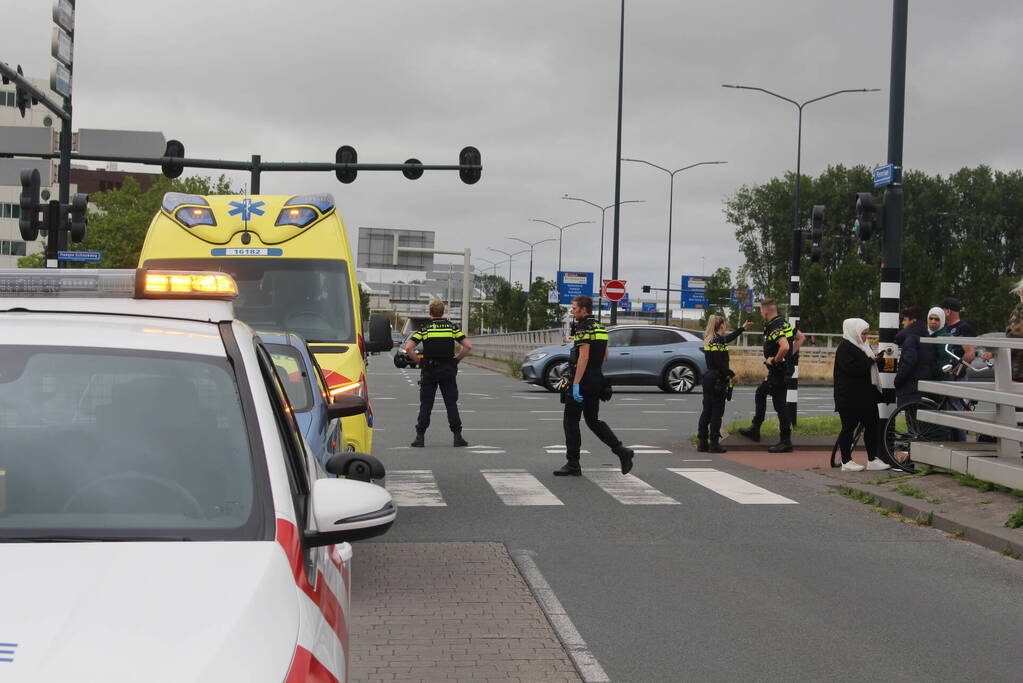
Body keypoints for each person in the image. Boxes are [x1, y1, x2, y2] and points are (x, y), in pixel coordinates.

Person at [553, 295, 634, 477]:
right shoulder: (601, 327)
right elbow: (605, 356)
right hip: (597, 379)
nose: (572, 312)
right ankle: (621, 450)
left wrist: (575, 384)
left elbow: (584, 357)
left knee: (571, 421)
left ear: (584, 309)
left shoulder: (582, 328)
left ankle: (573, 464)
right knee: (593, 421)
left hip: (582, 380)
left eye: (574, 308)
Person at [738, 299, 805, 453]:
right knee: (763, 394)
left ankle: (784, 441)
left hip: (778, 371)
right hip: (782, 370)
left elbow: (785, 346)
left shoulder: (775, 326)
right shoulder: (784, 323)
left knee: (778, 404)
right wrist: (789, 356)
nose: (761, 313)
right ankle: (758, 429)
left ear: (766, 311)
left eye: (761, 311)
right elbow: (801, 338)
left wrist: (775, 359)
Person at [407, 300, 472, 448]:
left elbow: (409, 347)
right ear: (443, 312)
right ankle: (457, 436)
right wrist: (456, 360)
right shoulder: (451, 327)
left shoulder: (425, 328)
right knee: (451, 404)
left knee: (426, 404)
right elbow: (468, 346)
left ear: (430, 312)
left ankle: (420, 437)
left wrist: (420, 362)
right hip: (448, 369)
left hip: (429, 370)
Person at [833, 318, 888, 471]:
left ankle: (872, 459)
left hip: (866, 395)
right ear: (854, 332)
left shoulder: (864, 346)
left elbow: (869, 365)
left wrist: (878, 361)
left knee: (872, 425)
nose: (865, 337)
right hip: (849, 396)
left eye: (866, 334)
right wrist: (870, 361)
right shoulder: (845, 347)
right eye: (863, 334)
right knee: (848, 427)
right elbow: (851, 369)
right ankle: (846, 461)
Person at [697, 315, 753, 453]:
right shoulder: (717, 342)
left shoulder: (712, 339)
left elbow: (728, 338)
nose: (726, 326)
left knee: (707, 411)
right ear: (721, 326)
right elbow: (719, 363)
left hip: (709, 378)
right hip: (717, 380)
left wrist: (742, 328)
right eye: (724, 324)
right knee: (716, 413)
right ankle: (714, 443)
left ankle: (702, 442)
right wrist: (731, 375)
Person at [893, 305, 936, 404]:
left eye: (904, 320)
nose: (903, 323)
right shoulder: (926, 336)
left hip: (910, 387)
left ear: (913, 321)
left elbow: (909, 361)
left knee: (911, 416)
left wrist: (898, 380)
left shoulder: (911, 338)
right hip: (922, 385)